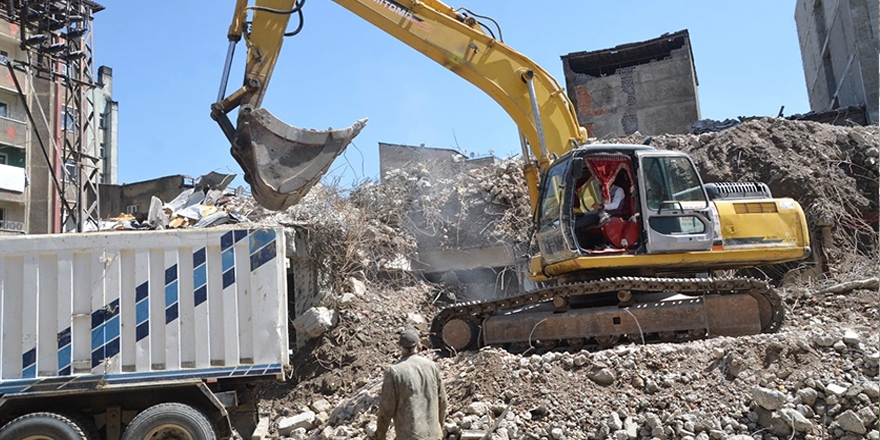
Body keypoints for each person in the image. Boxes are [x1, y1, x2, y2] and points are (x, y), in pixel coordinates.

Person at [376, 328, 447, 440]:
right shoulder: (432, 367)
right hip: (434, 435)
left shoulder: (394, 372)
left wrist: (381, 435)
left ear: (399, 345)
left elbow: (386, 409)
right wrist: (439, 427)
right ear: (419, 345)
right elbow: (442, 402)